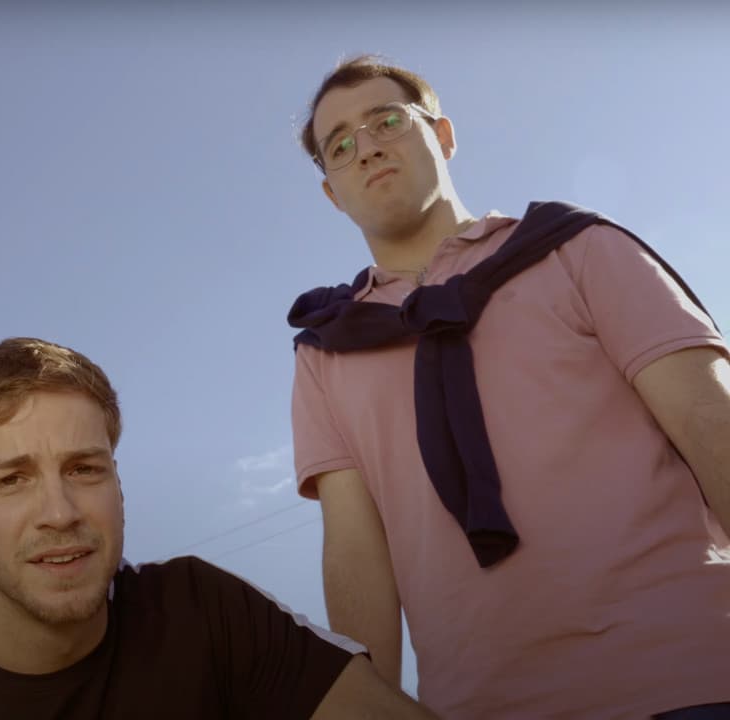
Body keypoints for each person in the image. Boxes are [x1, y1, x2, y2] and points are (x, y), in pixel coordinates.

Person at [287, 55, 730, 719]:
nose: (368, 147)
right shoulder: (325, 352)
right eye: (341, 145)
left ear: (442, 135)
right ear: (332, 192)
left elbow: (710, 423)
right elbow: (355, 554)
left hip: (690, 678)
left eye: (387, 121)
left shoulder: (575, 249)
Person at [0, 337, 435, 719]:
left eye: (84, 469)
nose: (60, 512)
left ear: (119, 488)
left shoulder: (202, 611)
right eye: (12, 479)